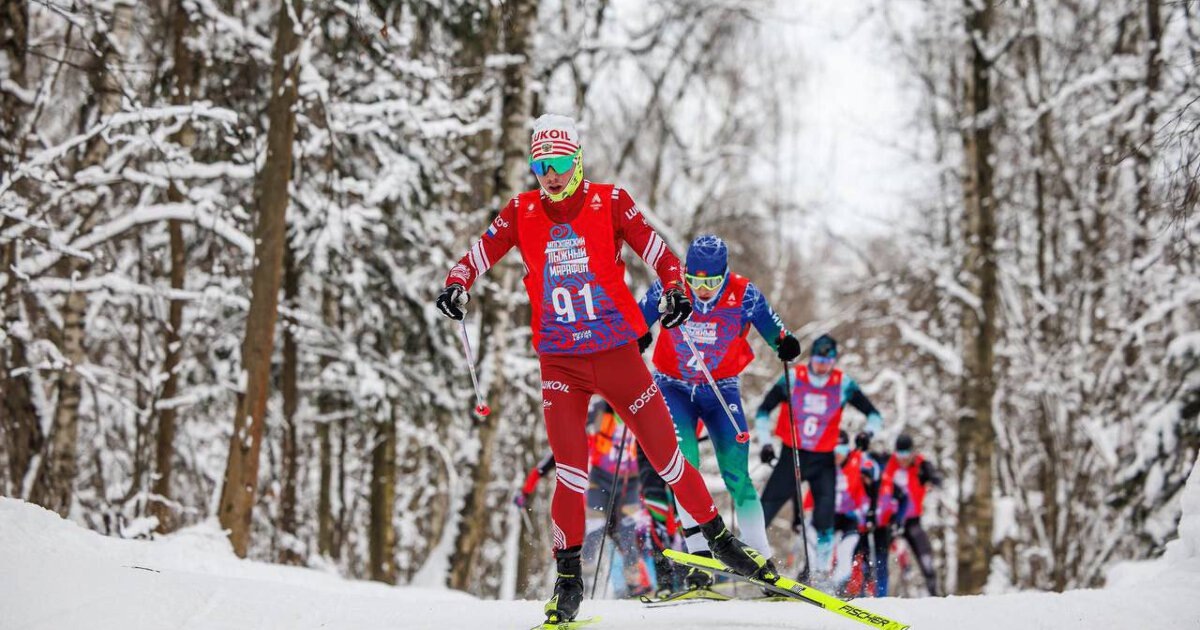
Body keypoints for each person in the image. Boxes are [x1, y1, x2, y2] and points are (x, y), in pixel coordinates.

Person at [436, 113, 767, 625]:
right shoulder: (522, 210)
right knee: (570, 469)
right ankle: (568, 581)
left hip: (617, 355)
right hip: (560, 362)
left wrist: (677, 288)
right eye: (540, 164)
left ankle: (720, 542)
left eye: (560, 162)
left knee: (669, 458)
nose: (550, 174)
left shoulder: (608, 201)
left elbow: (656, 248)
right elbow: (482, 250)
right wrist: (458, 281)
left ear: (578, 160)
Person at [638, 234, 801, 591]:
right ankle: (700, 561)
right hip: (672, 386)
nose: (702, 289)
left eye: (711, 281)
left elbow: (773, 327)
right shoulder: (672, 286)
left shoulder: (744, 293)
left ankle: (761, 559)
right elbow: (638, 317)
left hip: (720, 388)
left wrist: (784, 342)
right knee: (684, 468)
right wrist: (638, 334)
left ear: (724, 275)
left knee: (737, 475)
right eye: (696, 281)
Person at [753, 333, 884, 585]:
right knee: (765, 508)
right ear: (811, 357)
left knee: (825, 520)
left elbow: (874, 415)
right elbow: (762, 411)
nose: (823, 365)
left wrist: (868, 434)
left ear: (834, 361)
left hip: (824, 459)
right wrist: (766, 443)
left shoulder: (843, 383)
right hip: (793, 454)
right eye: (819, 359)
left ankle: (821, 575)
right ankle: (743, 558)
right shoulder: (793, 377)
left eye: (828, 360)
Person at [516, 401, 653, 598]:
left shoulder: (637, 406)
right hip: (601, 480)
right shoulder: (598, 410)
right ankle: (579, 581)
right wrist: (527, 489)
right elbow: (562, 448)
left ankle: (636, 585)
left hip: (629, 483)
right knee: (594, 528)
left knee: (627, 532)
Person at [881, 433, 943, 596]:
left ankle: (934, 592)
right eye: (899, 454)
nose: (903, 458)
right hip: (890, 520)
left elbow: (935, 476)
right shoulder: (888, 462)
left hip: (912, 520)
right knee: (881, 556)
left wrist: (933, 479)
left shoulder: (921, 465)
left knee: (925, 556)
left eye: (906, 454)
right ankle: (877, 594)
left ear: (912, 452)